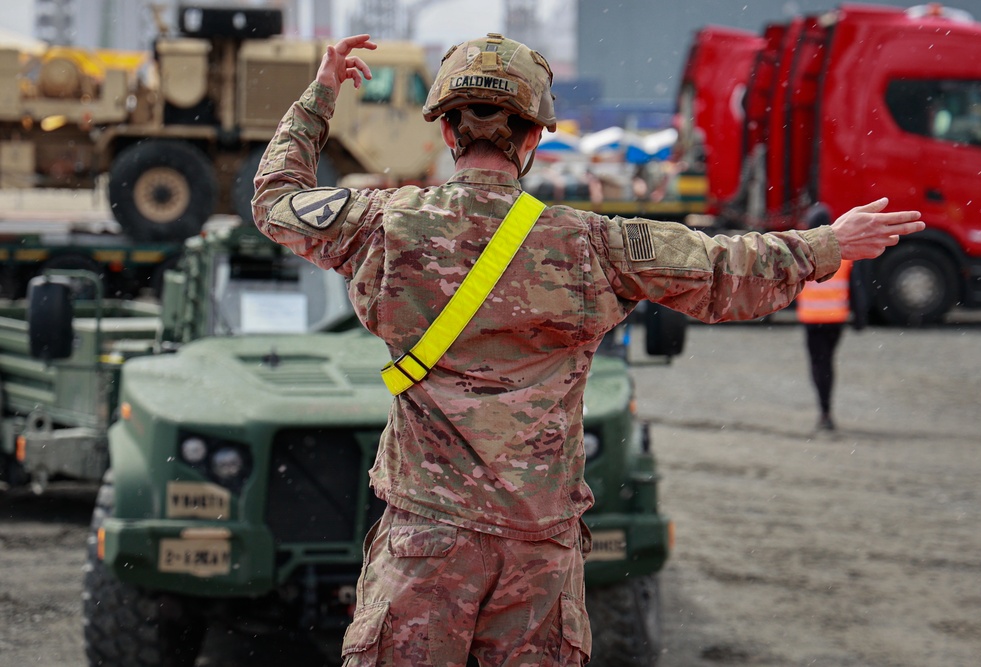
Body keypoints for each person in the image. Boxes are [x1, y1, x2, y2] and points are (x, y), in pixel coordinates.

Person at [252, 33, 924, 667]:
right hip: (538, 557)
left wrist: (320, 96)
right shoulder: (592, 245)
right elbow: (725, 274)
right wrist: (828, 243)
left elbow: (276, 199)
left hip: (425, 544)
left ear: (448, 131)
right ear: (535, 138)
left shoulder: (383, 225)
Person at [796, 203, 870, 431]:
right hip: (835, 320)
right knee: (827, 363)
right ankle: (827, 409)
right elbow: (856, 290)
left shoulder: (802, 254)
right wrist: (860, 318)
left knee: (818, 365)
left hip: (811, 320)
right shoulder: (842, 254)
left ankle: (824, 410)